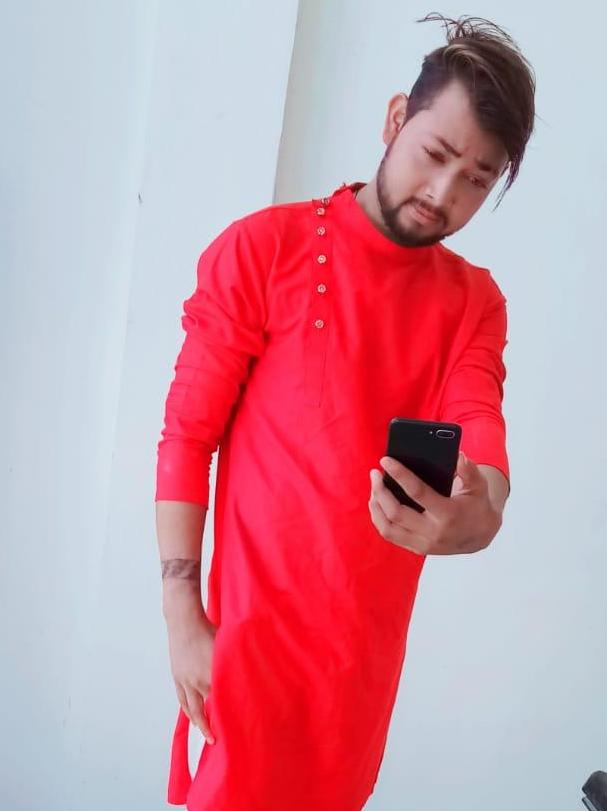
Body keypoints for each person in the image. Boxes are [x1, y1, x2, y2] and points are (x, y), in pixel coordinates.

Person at [154, 13, 536, 811]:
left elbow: (480, 422)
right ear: (395, 118)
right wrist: (183, 618)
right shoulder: (262, 249)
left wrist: (484, 509)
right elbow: (187, 438)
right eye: (435, 154)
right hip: (243, 649)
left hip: (357, 674)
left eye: (476, 178)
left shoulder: (473, 302)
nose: (443, 194)